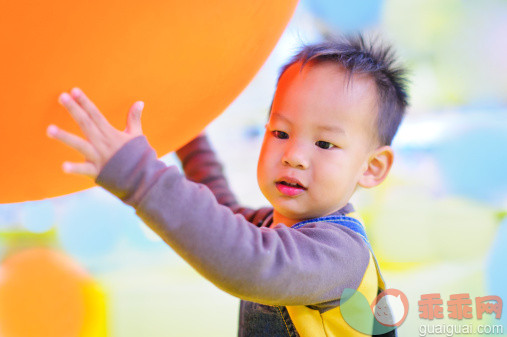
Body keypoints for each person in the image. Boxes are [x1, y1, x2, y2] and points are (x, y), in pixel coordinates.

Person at [47, 34, 409, 336]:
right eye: (281, 132)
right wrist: (186, 133)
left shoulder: (341, 256)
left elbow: (250, 260)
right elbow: (218, 210)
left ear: (372, 167)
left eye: (325, 144)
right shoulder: (274, 227)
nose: (293, 155)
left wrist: (138, 174)